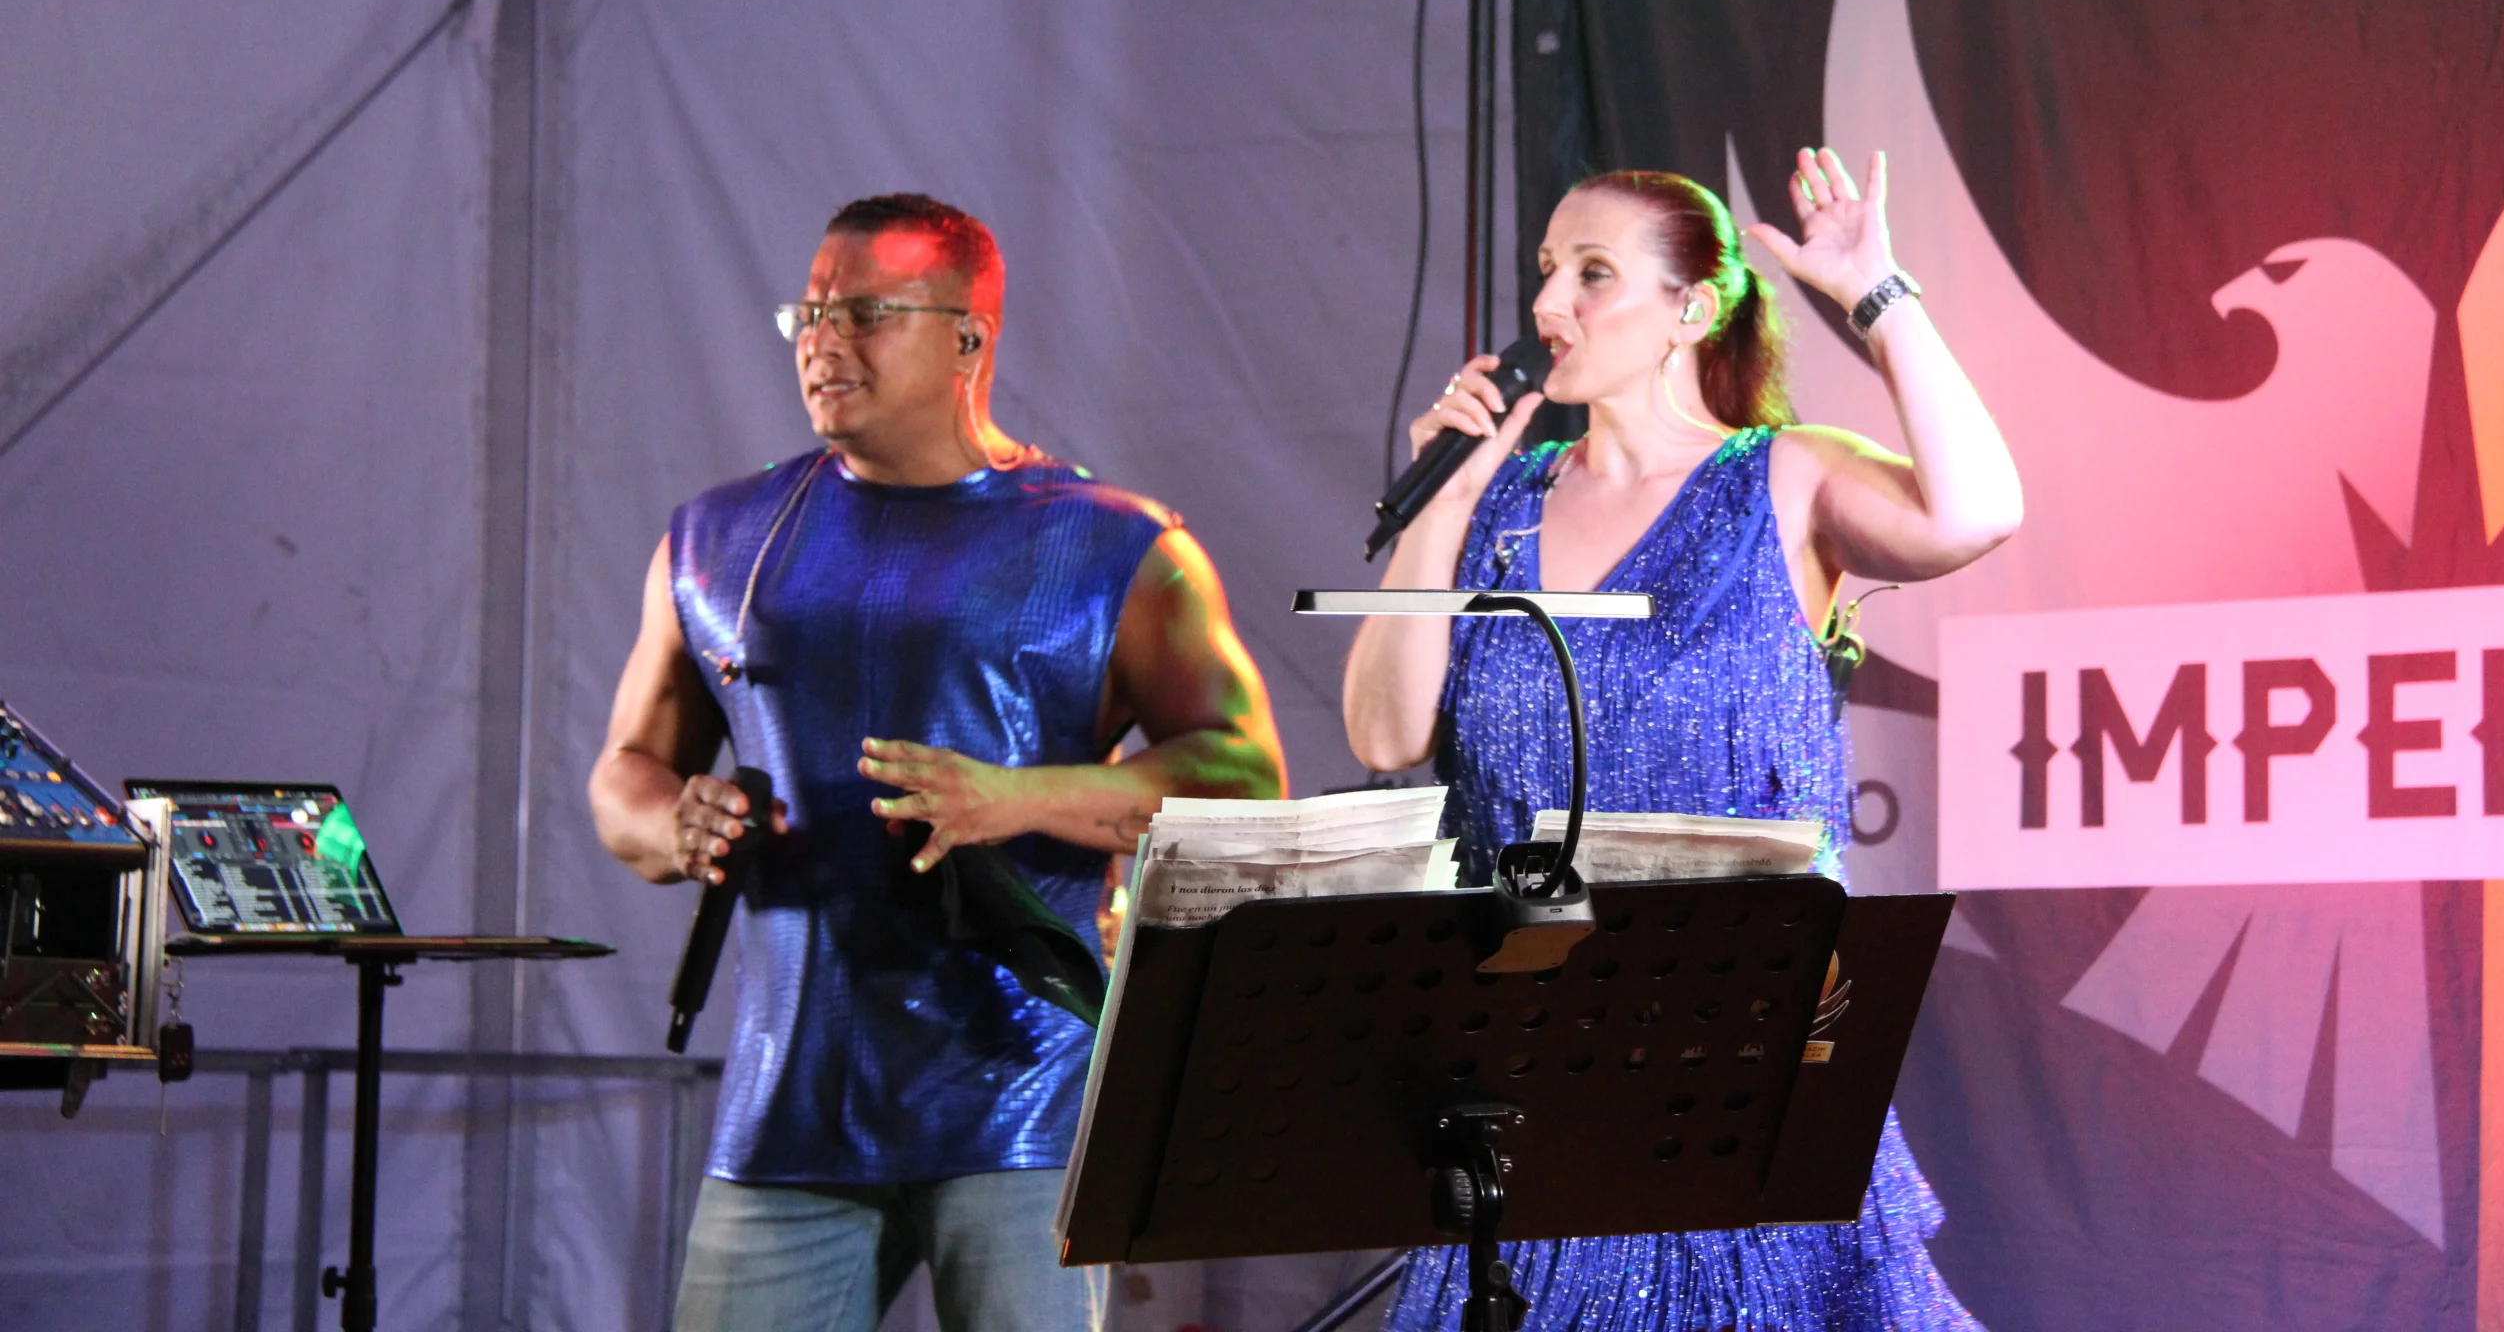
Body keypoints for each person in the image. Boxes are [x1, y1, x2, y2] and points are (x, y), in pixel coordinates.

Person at [1344, 152, 2021, 1331]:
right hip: (1532, 1054)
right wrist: (1443, 501)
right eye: (1546, 270)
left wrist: (1877, 295)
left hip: (1746, 1054)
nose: (1548, 304)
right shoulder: (1498, 504)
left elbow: (1976, 512)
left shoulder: (1781, 479)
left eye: (1592, 274)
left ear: (1691, 311)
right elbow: (1384, 730)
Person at [589, 193, 1286, 1332]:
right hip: (790, 1107)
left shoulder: (1117, 544)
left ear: (969, 337)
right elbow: (625, 770)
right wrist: (674, 821)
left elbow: (1245, 781)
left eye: (866, 313)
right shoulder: (717, 543)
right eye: (810, 314)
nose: (823, 342)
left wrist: (1017, 799)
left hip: (1024, 1102)